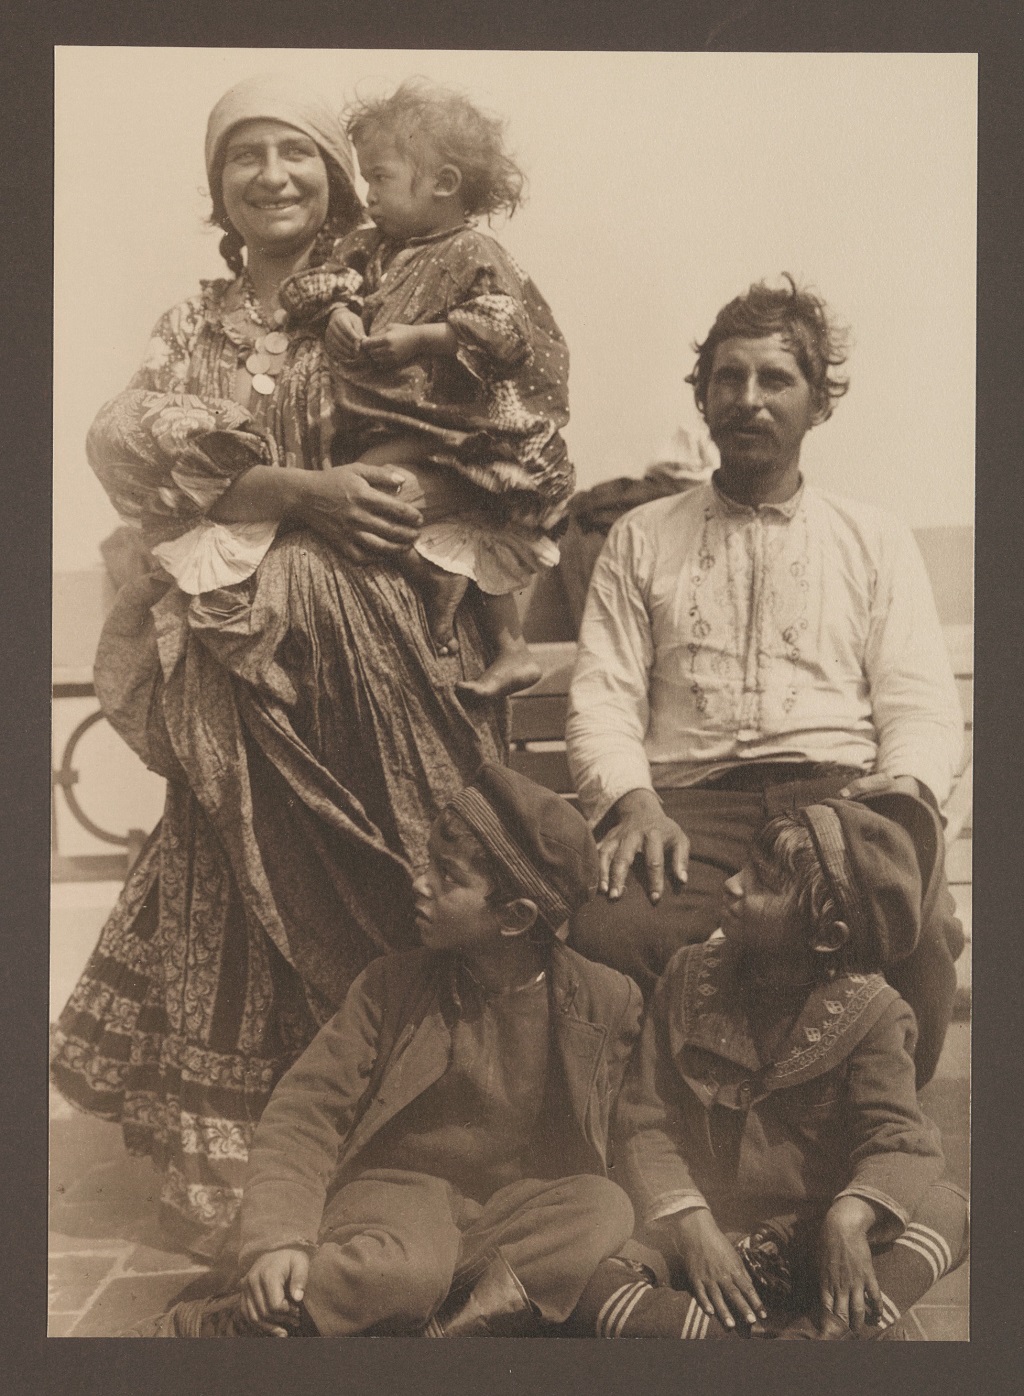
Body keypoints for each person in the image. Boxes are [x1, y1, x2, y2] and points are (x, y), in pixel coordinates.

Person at [50, 74, 508, 1259]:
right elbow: (124, 439)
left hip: (378, 657)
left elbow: (493, 429)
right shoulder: (191, 329)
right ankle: (237, 1181)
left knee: (395, 866)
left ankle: (403, 1154)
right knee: (236, 892)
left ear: (334, 173)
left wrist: (401, 485)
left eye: (294, 152)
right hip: (236, 656)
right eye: (243, 155)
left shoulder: (392, 289)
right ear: (218, 187)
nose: (272, 175)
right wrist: (294, 490)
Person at [565, 276, 964, 1083]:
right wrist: (634, 803)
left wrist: (903, 811)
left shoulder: (873, 539)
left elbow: (919, 701)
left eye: (776, 379)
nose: (749, 399)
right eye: (729, 378)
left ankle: (875, 1155)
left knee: (914, 934)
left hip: (836, 802)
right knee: (607, 934)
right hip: (691, 809)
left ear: (818, 403)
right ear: (704, 397)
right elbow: (603, 697)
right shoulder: (642, 538)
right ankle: (667, 1147)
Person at [136, 765, 643, 1337]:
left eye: (445, 876)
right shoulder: (391, 988)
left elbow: (633, 1131)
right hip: (395, 1199)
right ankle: (220, 1324)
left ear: (515, 917)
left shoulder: (605, 1001)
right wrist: (279, 1240)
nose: (420, 882)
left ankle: (457, 1327)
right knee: (405, 1272)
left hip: (503, 1213)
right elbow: (305, 1114)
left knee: (603, 1205)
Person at [576, 795, 969, 1340]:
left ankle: (804, 1333)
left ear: (826, 936)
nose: (733, 884)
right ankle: (788, 1345)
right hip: (702, 1230)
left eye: (761, 882)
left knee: (949, 1210)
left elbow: (897, 1141)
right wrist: (693, 1229)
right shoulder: (687, 977)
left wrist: (848, 1218)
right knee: (590, 1278)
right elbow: (645, 1121)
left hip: (813, 1239)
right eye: (742, 867)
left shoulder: (874, 1015)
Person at [280, 78, 575, 700]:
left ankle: (503, 639)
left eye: (381, 178)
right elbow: (309, 285)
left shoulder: (473, 251)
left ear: (442, 183)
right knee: (363, 492)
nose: (368, 195)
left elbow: (506, 330)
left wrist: (426, 338)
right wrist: (336, 309)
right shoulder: (368, 248)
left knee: (372, 485)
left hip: (463, 429)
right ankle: (464, 605)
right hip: (400, 422)